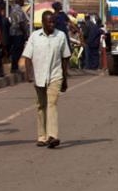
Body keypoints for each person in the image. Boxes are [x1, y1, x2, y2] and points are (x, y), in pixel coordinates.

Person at [22, 10, 71, 148]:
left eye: (53, 22)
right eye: (49, 22)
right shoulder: (35, 36)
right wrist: (28, 74)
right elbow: (27, 56)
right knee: (41, 105)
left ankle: (53, 136)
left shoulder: (60, 36)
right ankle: (42, 136)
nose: (52, 24)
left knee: (52, 104)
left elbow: (65, 57)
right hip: (39, 77)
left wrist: (65, 79)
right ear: (43, 23)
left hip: (55, 75)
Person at [8, 0, 29, 73]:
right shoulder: (18, 10)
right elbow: (21, 23)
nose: (24, 2)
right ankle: (14, 67)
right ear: (19, 1)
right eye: (22, 0)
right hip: (18, 33)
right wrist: (25, 33)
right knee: (18, 50)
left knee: (15, 50)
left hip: (13, 32)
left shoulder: (13, 9)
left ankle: (15, 66)